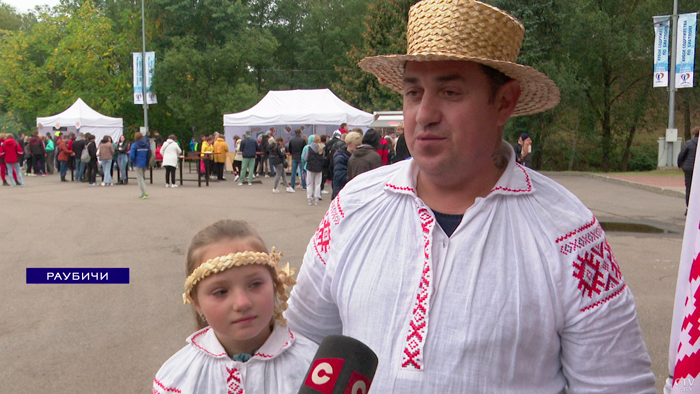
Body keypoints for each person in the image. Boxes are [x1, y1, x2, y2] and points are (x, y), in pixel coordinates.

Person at [285, 1, 656, 393]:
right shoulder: (353, 207)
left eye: (449, 91)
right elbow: (301, 345)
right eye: (414, 92)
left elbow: (618, 385)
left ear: (504, 102)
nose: (424, 114)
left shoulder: (568, 233)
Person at [152, 220, 317, 394]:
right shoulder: (177, 379)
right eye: (221, 292)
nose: (242, 303)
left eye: (255, 284)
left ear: (275, 284)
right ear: (197, 303)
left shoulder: (313, 367)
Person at [331, 131, 361, 199]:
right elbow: (340, 176)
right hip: (342, 192)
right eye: (357, 145)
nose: (359, 147)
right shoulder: (340, 157)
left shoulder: (355, 156)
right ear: (349, 144)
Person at [678, 126, 699, 212]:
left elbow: (682, 155)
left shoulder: (689, 143)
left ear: (694, 134)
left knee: (689, 188)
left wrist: (680, 164)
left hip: (689, 168)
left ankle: (689, 208)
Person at [303, 135, 324, 205]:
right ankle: (317, 199)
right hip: (319, 168)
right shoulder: (321, 148)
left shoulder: (309, 148)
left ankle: (309, 199)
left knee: (309, 184)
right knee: (318, 184)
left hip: (310, 167)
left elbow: (305, 158)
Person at [129, 132, 150, 199]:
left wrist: (133, 161)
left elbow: (132, 155)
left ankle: (144, 192)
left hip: (138, 163)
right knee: (142, 177)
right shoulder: (146, 144)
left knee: (139, 178)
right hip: (145, 162)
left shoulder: (134, 145)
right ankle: (143, 191)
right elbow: (149, 153)